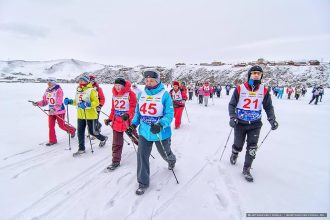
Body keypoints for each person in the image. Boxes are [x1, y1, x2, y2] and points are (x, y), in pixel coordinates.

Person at [127, 69, 176, 195]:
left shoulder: (165, 95)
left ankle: (171, 160)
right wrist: (133, 124)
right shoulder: (141, 94)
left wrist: (160, 124)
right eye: (147, 80)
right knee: (142, 156)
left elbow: (169, 114)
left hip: (160, 132)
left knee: (165, 153)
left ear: (157, 81)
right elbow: (138, 112)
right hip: (144, 132)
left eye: (152, 80)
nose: (149, 83)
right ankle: (143, 183)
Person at [228, 66, 278, 182]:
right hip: (240, 122)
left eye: (259, 73)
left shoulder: (264, 90)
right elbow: (232, 104)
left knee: (252, 147)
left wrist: (272, 119)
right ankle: (235, 153)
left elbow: (268, 107)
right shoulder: (240, 88)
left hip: (255, 124)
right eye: (254, 73)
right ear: (250, 74)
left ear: (261, 76)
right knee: (238, 144)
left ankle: (246, 169)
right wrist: (232, 116)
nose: (256, 75)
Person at [64, 75, 108, 157]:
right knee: (80, 132)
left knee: (92, 132)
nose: (80, 81)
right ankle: (81, 149)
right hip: (80, 115)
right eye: (79, 80)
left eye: (82, 80)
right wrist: (70, 101)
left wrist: (88, 104)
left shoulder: (92, 90)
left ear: (87, 81)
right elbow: (77, 101)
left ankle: (103, 138)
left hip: (91, 115)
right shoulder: (78, 89)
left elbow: (96, 102)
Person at [104, 78, 137, 170]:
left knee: (134, 138)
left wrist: (128, 115)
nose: (117, 87)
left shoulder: (130, 94)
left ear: (124, 85)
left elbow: (133, 107)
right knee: (116, 143)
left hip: (127, 121)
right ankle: (115, 161)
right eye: (116, 85)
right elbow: (113, 109)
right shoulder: (114, 95)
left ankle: (143, 148)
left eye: (119, 85)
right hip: (117, 122)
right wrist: (109, 119)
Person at [32, 77, 76, 146]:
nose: (48, 83)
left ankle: (72, 130)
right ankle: (52, 140)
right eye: (48, 82)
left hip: (59, 111)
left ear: (54, 82)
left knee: (61, 125)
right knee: (51, 126)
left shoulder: (59, 90)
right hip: (51, 111)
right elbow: (45, 101)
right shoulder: (47, 91)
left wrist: (54, 109)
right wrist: (37, 103)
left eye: (50, 82)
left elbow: (59, 101)